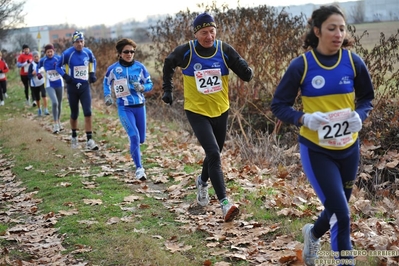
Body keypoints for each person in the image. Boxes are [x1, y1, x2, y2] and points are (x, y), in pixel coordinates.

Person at [270, 5, 374, 266]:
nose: (338, 33)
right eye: (331, 28)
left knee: (335, 209)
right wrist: (303, 118)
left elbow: (367, 98)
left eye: (342, 28)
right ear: (317, 31)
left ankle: (312, 234)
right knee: (342, 213)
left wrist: (360, 115)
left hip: (349, 148)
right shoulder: (302, 65)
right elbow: (278, 105)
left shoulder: (353, 62)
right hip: (317, 150)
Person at [161, 12, 253, 223]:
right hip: (197, 111)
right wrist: (168, 90)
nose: (209, 36)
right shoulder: (187, 52)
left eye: (212, 31)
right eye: (204, 33)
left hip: (221, 110)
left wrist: (245, 71)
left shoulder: (224, 49)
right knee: (214, 153)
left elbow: (244, 71)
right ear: (196, 33)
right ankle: (225, 204)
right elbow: (168, 63)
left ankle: (202, 182)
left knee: (214, 155)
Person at [103, 38, 153, 180]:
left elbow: (150, 83)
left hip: (140, 107)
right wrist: (107, 96)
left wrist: (143, 87)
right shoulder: (113, 69)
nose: (129, 54)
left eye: (132, 51)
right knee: (134, 136)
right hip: (124, 108)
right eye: (126, 51)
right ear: (119, 53)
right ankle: (139, 169)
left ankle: (135, 151)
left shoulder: (140, 67)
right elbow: (106, 83)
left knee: (141, 138)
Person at [56, 31, 98, 150]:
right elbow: (57, 66)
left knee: (88, 112)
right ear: (73, 43)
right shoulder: (67, 54)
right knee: (74, 113)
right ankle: (74, 136)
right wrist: (65, 76)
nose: (80, 44)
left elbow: (93, 61)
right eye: (77, 42)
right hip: (72, 87)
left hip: (84, 87)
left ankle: (89, 139)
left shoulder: (87, 52)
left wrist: (92, 73)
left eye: (81, 41)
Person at [39, 43, 64, 133]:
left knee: (59, 104)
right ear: (45, 52)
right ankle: (55, 124)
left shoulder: (58, 58)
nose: (50, 53)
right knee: (54, 102)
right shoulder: (43, 60)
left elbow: (64, 67)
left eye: (51, 51)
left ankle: (59, 121)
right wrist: (39, 73)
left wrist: (62, 70)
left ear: (54, 51)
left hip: (59, 83)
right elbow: (39, 67)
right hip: (49, 84)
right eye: (48, 52)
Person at [28, 51, 49, 116]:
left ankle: (46, 109)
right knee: (37, 97)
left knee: (44, 95)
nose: (36, 58)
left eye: (37, 56)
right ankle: (39, 109)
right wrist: (32, 73)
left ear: (39, 57)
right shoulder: (31, 65)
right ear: (33, 58)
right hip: (34, 84)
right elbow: (28, 76)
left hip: (42, 82)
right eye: (35, 57)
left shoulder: (42, 63)